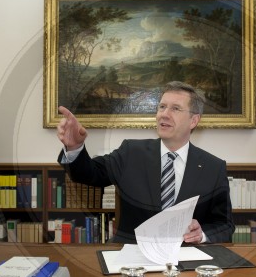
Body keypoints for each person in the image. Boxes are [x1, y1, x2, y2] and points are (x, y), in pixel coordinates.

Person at [57, 81, 234, 244]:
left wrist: (201, 234)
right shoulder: (131, 152)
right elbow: (89, 174)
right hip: (131, 259)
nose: (164, 114)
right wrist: (75, 147)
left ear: (194, 120)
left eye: (175, 109)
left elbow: (224, 225)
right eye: (162, 107)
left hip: (185, 259)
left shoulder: (213, 167)